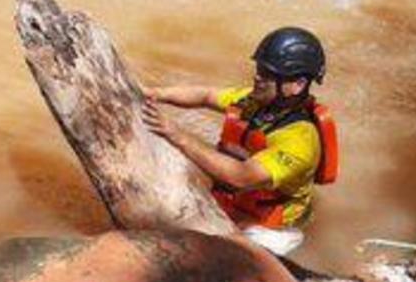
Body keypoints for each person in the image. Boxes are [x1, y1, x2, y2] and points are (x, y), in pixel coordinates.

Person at [143, 27, 337, 257]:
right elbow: (205, 95)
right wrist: (154, 93)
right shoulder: (255, 102)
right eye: (259, 69)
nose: (257, 77)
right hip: (235, 203)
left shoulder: (299, 141)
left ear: (297, 84)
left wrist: (178, 136)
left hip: (270, 229)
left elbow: (241, 176)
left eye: (267, 73)